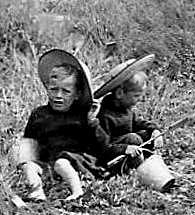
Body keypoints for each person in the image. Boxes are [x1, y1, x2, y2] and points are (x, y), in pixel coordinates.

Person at [17, 49, 133, 202]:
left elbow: (102, 146)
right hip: (50, 164)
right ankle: (37, 191)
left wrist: (92, 122)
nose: (58, 95)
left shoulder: (82, 115)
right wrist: (24, 159)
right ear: (47, 88)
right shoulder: (39, 114)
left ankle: (77, 191)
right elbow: (29, 142)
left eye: (66, 91)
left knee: (62, 162)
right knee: (29, 166)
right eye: (54, 89)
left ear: (77, 94)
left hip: (78, 163)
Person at [94, 54, 175, 192]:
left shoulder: (126, 109)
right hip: (114, 156)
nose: (139, 100)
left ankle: (151, 163)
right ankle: (140, 170)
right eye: (136, 96)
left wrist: (154, 130)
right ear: (120, 93)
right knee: (134, 138)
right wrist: (125, 148)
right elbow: (102, 147)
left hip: (133, 148)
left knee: (145, 133)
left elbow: (139, 123)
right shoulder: (105, 116)